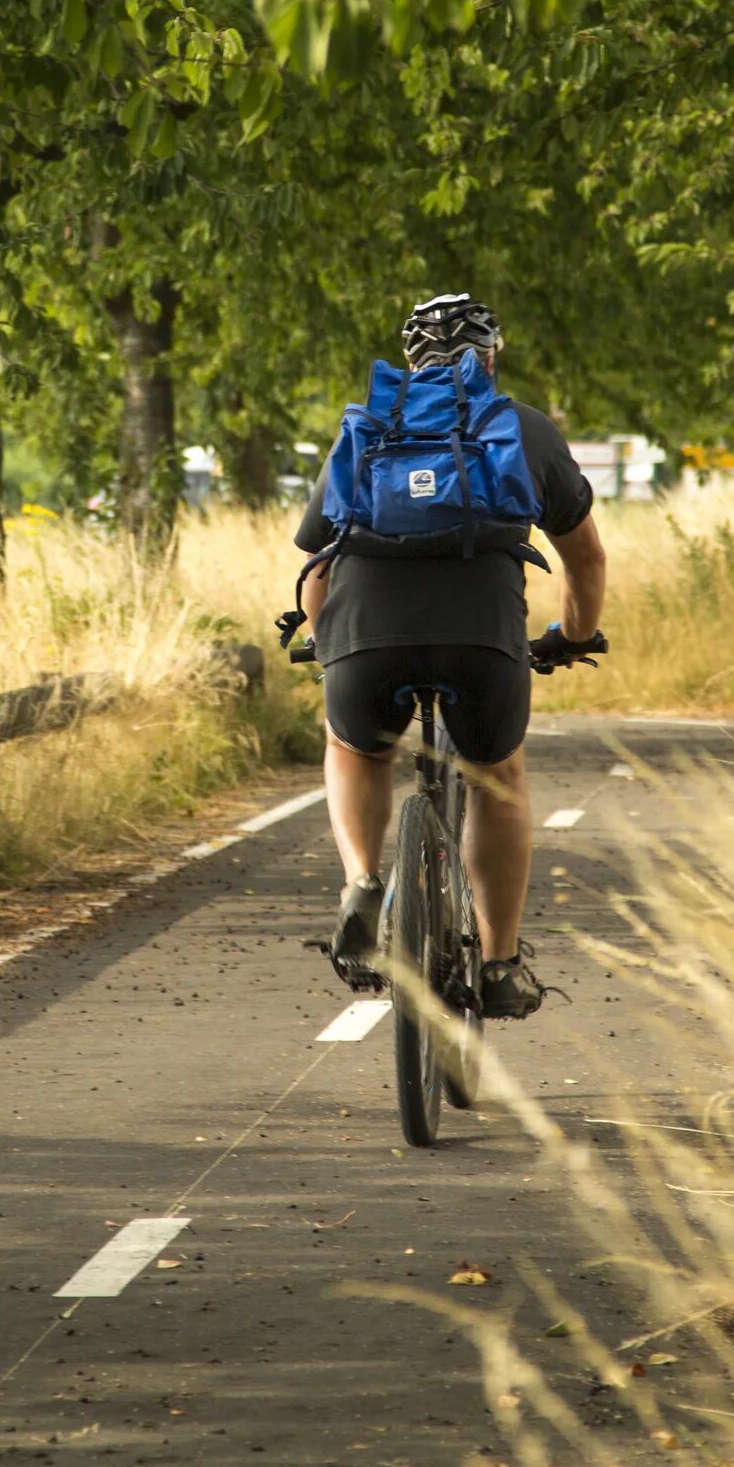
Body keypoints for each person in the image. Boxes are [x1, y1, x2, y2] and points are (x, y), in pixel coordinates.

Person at [291, 293, 608, 1018]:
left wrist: (324, 639)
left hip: (366, 630)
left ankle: (363, 881)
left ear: (410, 363)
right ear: (491, 358)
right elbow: (585, 559)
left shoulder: (367, 427)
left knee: (355, 747)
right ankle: (499, 964)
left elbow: (317, 564)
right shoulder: (520, 428)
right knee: (498, 777)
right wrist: (577, 635)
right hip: (482, 637)